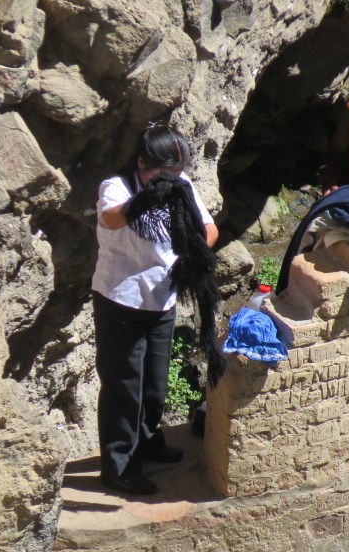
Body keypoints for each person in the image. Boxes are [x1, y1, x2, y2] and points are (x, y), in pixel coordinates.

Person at [92, 125, 219, 495]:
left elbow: (208, 228)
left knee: (154, 382)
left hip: (161, 299)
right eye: (161, 173)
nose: (170, 180)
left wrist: (194, 251)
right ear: (142, 162)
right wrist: (144, 200)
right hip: (121, 298)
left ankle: (147, 442)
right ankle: (118, 465)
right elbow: (111, 218)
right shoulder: (116, 187)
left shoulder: (183, 187)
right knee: (123, 386)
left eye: (176, 173)